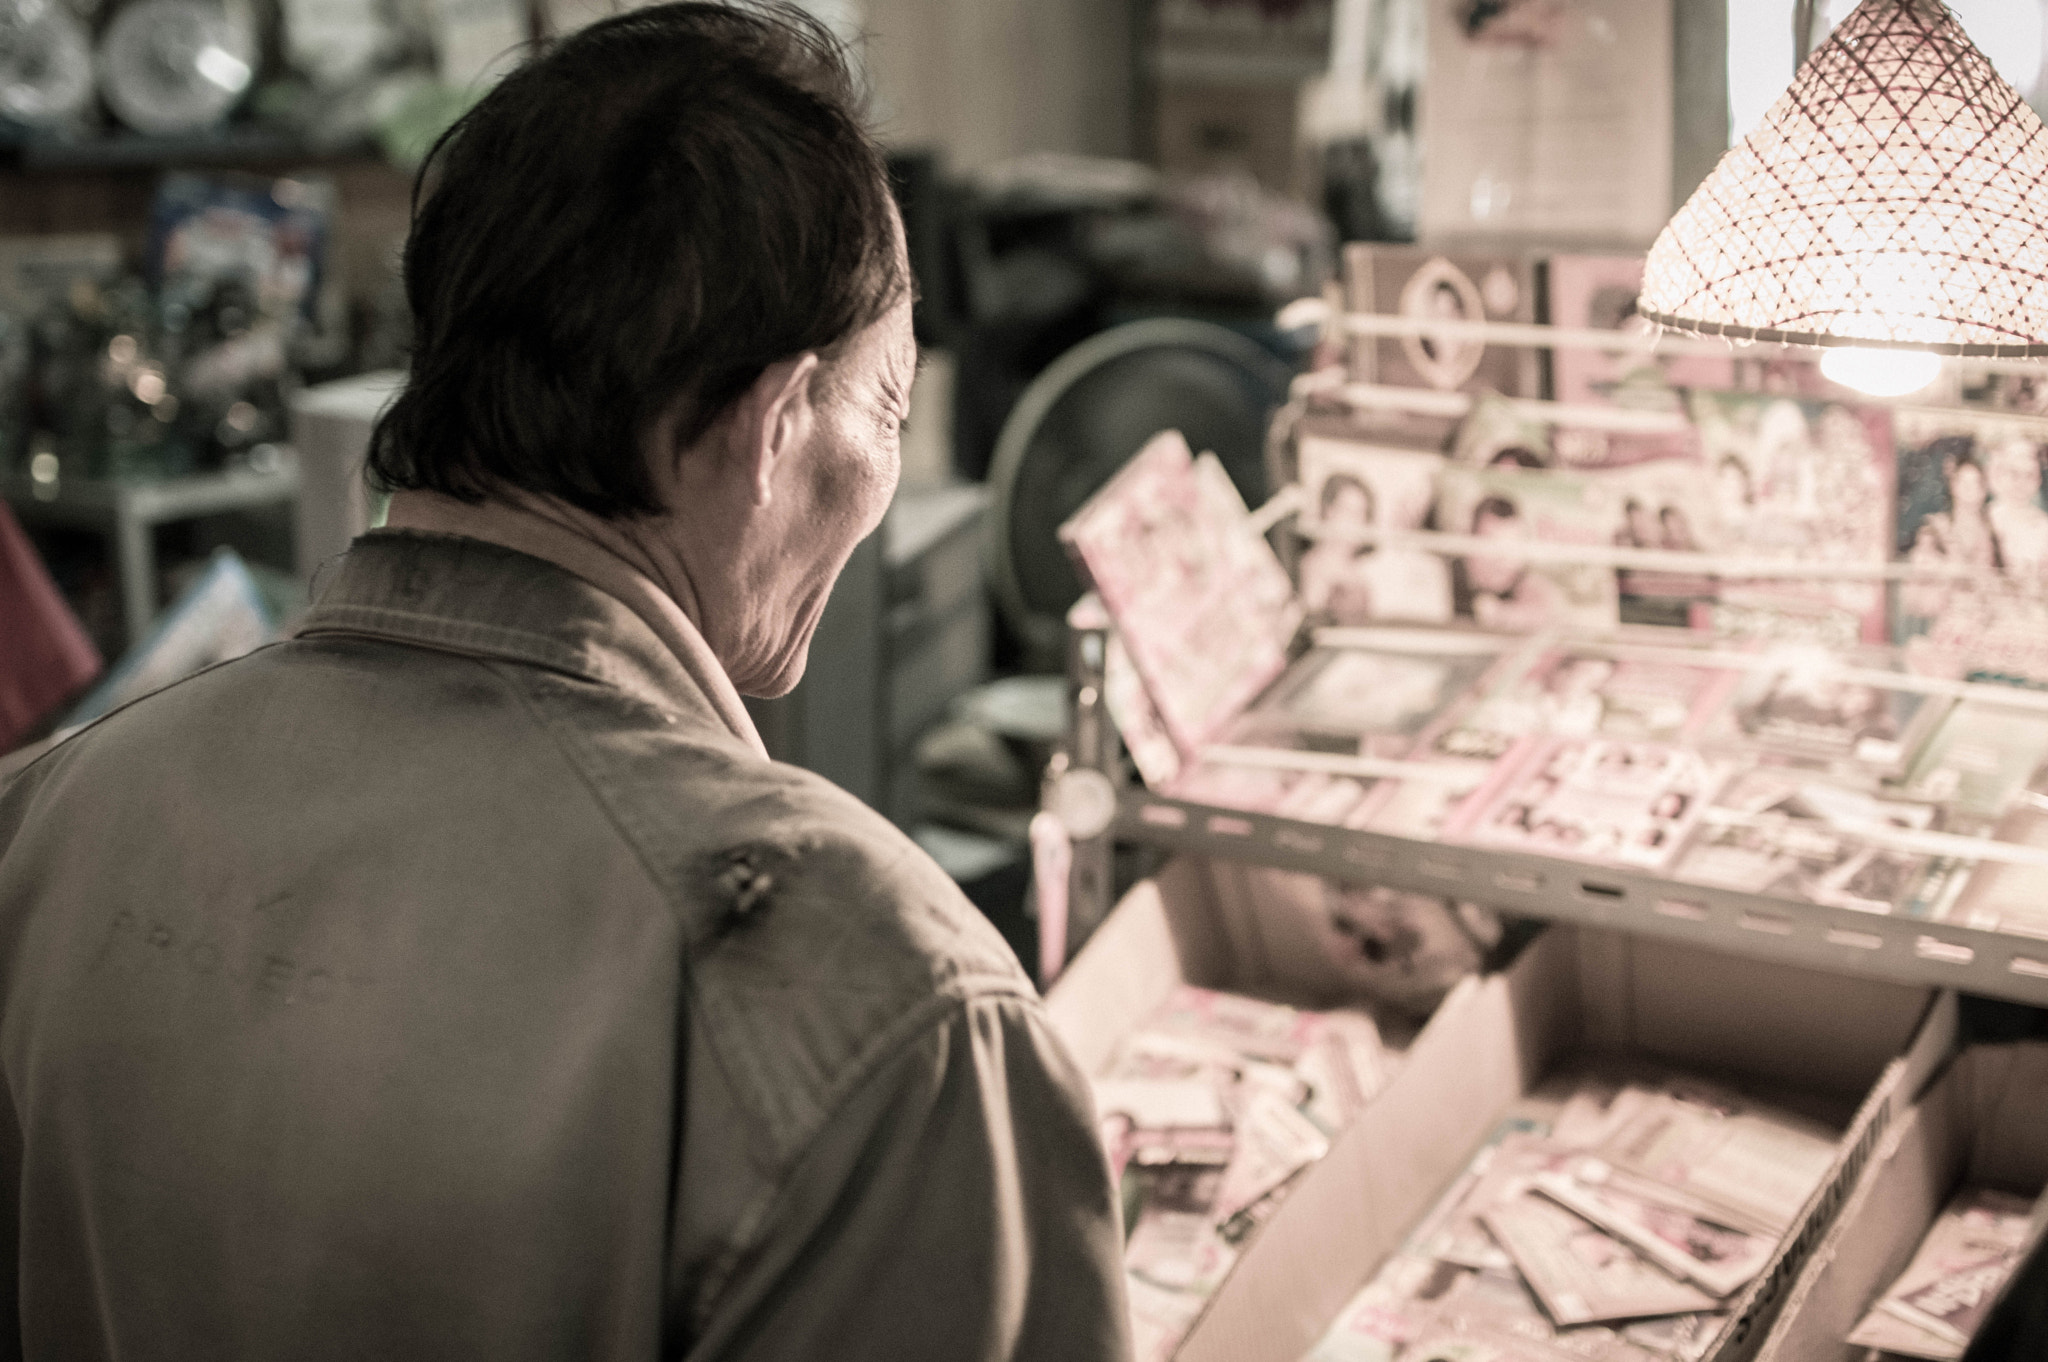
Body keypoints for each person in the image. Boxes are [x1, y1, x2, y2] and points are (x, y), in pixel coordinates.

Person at [0, 7, 1130, 1360]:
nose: (884, 476)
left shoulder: (47, 819)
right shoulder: (883, 1012)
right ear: (773, 430)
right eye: (885, 409)